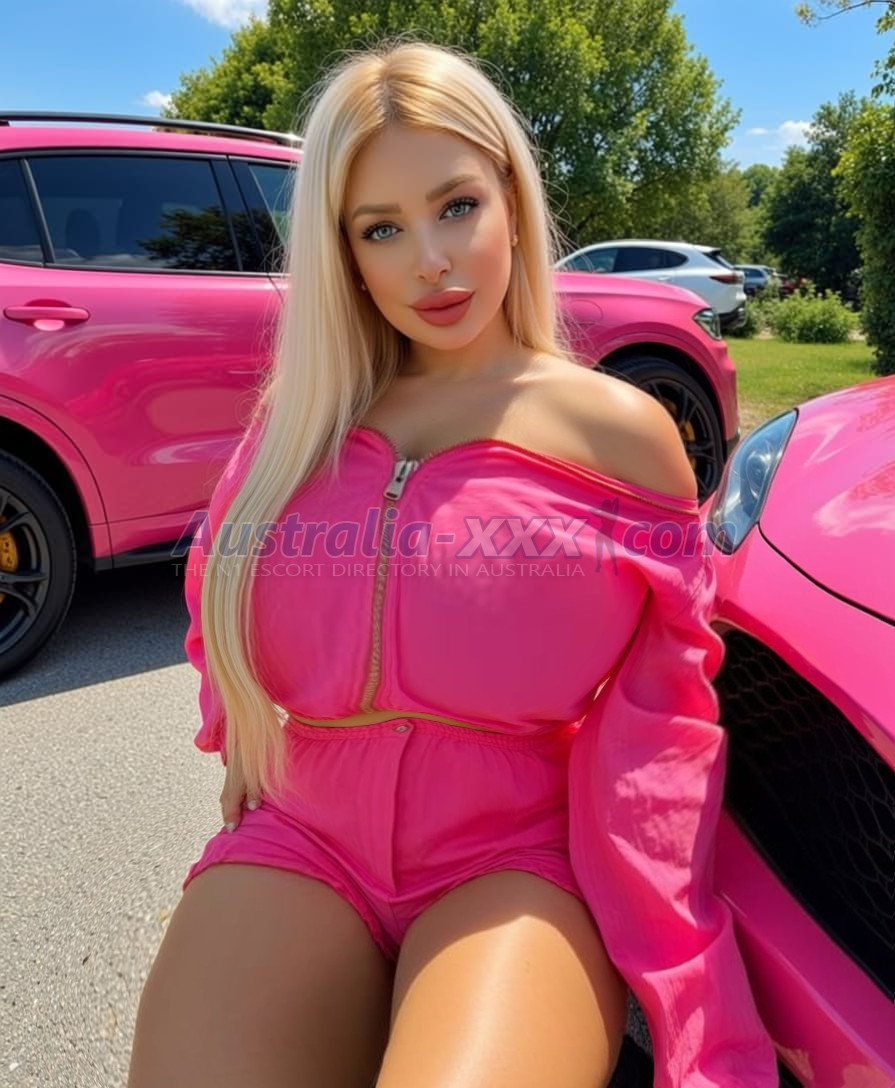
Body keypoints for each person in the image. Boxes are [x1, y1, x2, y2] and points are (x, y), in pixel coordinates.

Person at [127, 40, 778, 1088]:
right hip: (304, 833)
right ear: (345, 253)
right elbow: (217, 575)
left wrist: (664, 917)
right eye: (381, 228)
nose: (429, 260)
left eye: (456, 206)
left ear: (510, 199)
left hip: (514, 859)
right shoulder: (298, 427)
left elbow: (666, 705)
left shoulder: (621, 434)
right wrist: (234, 724)